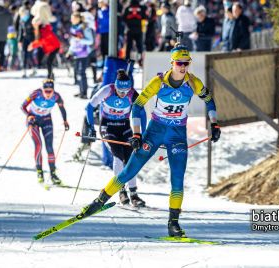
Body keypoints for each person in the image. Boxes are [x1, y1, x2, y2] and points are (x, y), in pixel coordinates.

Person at [81, 44, 221, 237]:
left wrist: (214, 123)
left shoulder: (193, 82)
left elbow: (209, 100)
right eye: (179, 63)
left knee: (178, 179)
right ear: (172, 63)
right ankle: (98, 202)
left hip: (177, 134)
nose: (183, 67)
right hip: (155, 131)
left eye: (186, 63)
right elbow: (137, 107)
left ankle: (173, 223)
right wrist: (137, 133)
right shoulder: (159, 82)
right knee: (129, 170)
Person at [86, 69, 147, 207]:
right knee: (118, 156)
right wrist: (91, 127)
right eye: (120, 91)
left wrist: (142, 133)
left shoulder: (132, 94)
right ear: (116, 86)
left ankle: (134, 194)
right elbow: (89, 107)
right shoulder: (107, 90)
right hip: (108, 127)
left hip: (124, 127)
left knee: (132, 158)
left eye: (126, 91)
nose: (123, 94)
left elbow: (142, 113)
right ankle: (121, 190)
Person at [21, 79, 70, 184]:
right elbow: (23, 106)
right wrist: (29, 116)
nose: (48, 93)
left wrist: (65, 121)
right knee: (38, 145)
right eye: (46, 91)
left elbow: (62, 108)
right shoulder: (36, 93)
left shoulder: (56, 96)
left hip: (46, 120)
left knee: (49, 147)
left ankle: (53, 174)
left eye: (50, 91)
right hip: (33, 121)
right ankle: (39, 171)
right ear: (42, 90)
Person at [29, 0, 60, 79]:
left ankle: (50, 76)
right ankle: (50, 75)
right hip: (51, 47)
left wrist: (32, 45)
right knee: (48, 62)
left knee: (48, 62)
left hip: (54, 47)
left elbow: (42, 41)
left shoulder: (44, 30)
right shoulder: (42, 30)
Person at [67, 12, 94, 99]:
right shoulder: (73, 28)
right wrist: (70, 51)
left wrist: (80, 39)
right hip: (76, 53)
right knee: (77, 73)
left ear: (78, 18)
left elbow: (90, 41)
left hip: (84, 53)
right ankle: (81, 91)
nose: (71, 20)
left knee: (82, 73)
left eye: (73, 18)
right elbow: (73, 41)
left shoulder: (85, 28)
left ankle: (84, 93)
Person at [123, 0, 147, 65]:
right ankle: (140, 60)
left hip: (130, 29)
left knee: (129, 46)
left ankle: (127, 61)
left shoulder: (127, 7)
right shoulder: (142, 7)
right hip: (138, 30)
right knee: (139, 47)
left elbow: (123, 18)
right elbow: (145, 17)